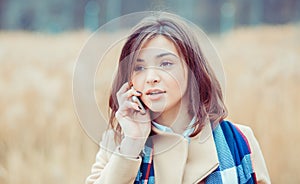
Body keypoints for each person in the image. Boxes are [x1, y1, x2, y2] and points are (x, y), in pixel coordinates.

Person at [85, 12, 270, 184]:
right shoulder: (117, 143)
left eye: (165, 63)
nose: (151, 78)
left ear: (192, 71)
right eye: (139, 68)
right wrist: (132, 142)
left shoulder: (237, 140)